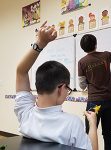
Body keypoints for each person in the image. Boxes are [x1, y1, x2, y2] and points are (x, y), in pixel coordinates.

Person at [14, 21, 98, 150]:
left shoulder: (26, 114)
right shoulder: (72, 124)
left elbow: (21, 71)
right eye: (68, 89)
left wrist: (40, 43)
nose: (67, 93)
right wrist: (92, 124)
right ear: (61, 88)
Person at [78, 32, 111, 150]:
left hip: (94, 103)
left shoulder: (82, 62)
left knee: (89, 132)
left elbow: (82, 86)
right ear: (96, 44)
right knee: (107, 133)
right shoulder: (106, 55)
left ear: (83, 48)